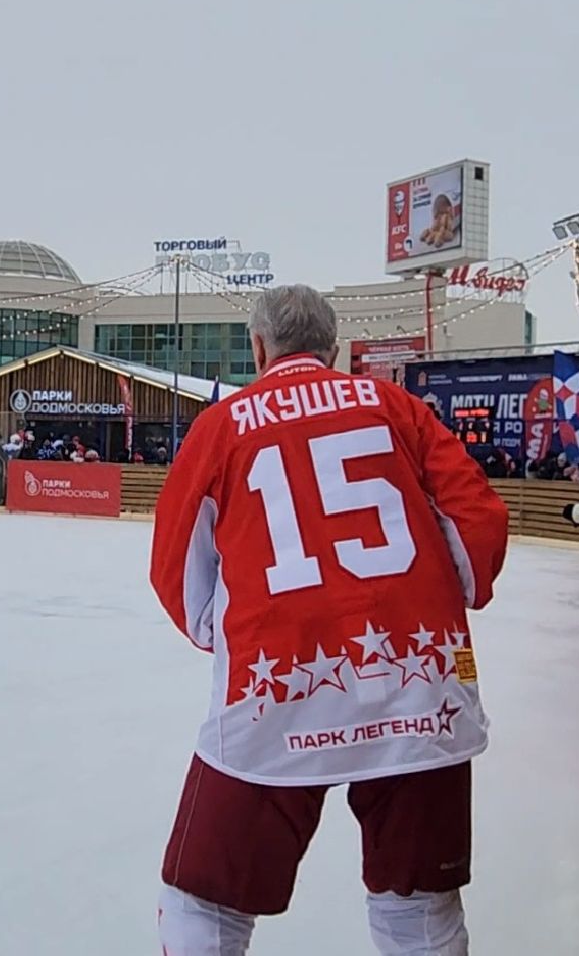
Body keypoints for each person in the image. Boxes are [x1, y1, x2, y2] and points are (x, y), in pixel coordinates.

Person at [150, 284, 508, 955]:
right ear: (334, 348)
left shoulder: (223, 425)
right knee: (420, 906)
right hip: (418, 678)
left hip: (277, 687)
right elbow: (476, 528)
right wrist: (437, 600)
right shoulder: (396, 407)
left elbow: (178, 573)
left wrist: (223, 630)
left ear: (258, 348)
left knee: (204, 899)